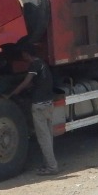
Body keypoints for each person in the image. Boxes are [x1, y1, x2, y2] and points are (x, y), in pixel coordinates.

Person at [7, 43, 58, 176]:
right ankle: (47, 164)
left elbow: (26, 82)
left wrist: (12, 94)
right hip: (48, 104)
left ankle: (52, 167)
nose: (22, 56)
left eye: (23, 54)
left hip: (39, 105)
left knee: (43, 138)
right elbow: (34, 83)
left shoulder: (33, 65)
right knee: (48, 136)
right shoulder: (42, 64)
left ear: (27, 54)